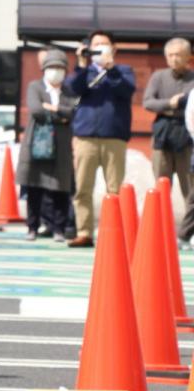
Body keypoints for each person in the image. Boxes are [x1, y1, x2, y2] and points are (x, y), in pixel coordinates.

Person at [65, 30, 137, 248]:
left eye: (104, 44)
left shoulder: (124, 71)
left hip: (114, 137)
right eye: (95, 45)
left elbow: (126, 90)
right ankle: (84, 232)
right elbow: (72, 89)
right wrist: (80, 63)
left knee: (114, 188)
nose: (99, 48)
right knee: (82, 188)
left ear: (113, 48)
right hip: (85, 137)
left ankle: (114, 232)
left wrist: (111, 69)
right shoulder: (84, 72)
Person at [16, 49, 78, 241]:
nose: (56, 71)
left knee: (61, 189)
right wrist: (61, 115)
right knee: (34, 188)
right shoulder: (35, 86)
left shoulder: (69, 91)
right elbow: (36, 110)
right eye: (52, 67)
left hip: (61, 147)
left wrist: (54, 108)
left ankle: (58, 228)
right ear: (44, 69)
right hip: (37, 144)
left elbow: (74, 113)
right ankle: (32, 227)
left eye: (60, 67)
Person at [143, 37, 194, 242]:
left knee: (189, 188)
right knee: (161, 184)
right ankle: (159, 230)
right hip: (163, 133)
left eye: (179, 55)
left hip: (187, 134)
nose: (174, 59)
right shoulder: (158, 76)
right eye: (171, 55)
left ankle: (187, 232)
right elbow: (148, 102)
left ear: (188, 57)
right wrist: (169, 103)